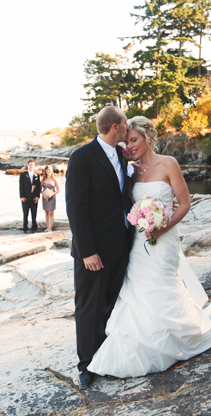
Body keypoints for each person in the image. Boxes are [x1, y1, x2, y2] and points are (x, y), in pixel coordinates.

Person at [86, 116, 211, 379]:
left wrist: (161, 227)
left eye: (134, 140)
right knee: (137, 290)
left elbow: (184, 204)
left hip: (166, 237)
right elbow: (126, 205)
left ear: (148, 137)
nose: (130, 146)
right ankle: (139, 348)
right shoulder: (131, 170)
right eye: (127, 142)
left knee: (164, 285)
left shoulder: (169, 163)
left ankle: (173, 340)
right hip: (139, 241)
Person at [66, 106, 134, 389]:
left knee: (111, 304)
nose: (129, 129)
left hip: (121, 245)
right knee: (89, 308)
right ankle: (86, 365)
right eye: (126, 124)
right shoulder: (82, 157)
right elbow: (76, 208)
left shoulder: (122, 155)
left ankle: (106, 357)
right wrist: (87, 252)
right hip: (93, 251)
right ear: (115, 127)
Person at [19, 159, 41, 233]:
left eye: (33, 165)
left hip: (34, 198)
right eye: (30, 164)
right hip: (25, 198)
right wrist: (21, 196)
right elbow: (21, 186)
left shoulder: (37, 175)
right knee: (25, 214)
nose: (31, 166)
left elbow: (38, 187)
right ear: (27, 165)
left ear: (34, 166)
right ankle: (25, 227)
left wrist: (38, 196)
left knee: (34, 213)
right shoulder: (23, 175)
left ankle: (34, 227)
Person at [40, 165, 60, 232]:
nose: (48, 171)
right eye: (47, 169)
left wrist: (52, 194)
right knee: (46, 212)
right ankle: (47, 227)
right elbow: (40, 190)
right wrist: (44, 195)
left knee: (51, 212)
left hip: (52, 198)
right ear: (45, 171)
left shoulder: (54, 179)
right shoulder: (43, 179)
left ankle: (50, 228)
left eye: (50, 169)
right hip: (45, 197)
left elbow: (58, 190)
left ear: (52, 171)